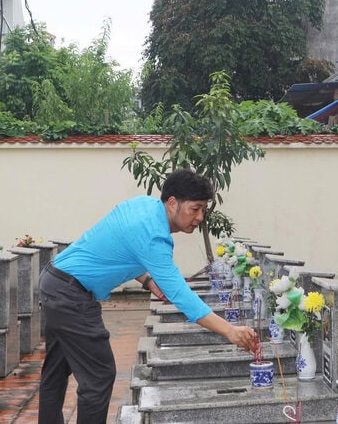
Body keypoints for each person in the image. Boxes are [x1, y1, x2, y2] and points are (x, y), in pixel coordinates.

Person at [37, 168, 260, 423]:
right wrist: (229, 330)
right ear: (172, 202)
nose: (199, 217)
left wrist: (147, 280)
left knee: (56, 371)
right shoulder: (154, 236)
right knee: (99, 375)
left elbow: (119, 247)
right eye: (195, 209)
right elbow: (179, 293)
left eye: (203, 210)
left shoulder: (144, 206)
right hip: (70, 294)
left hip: (55, 280)